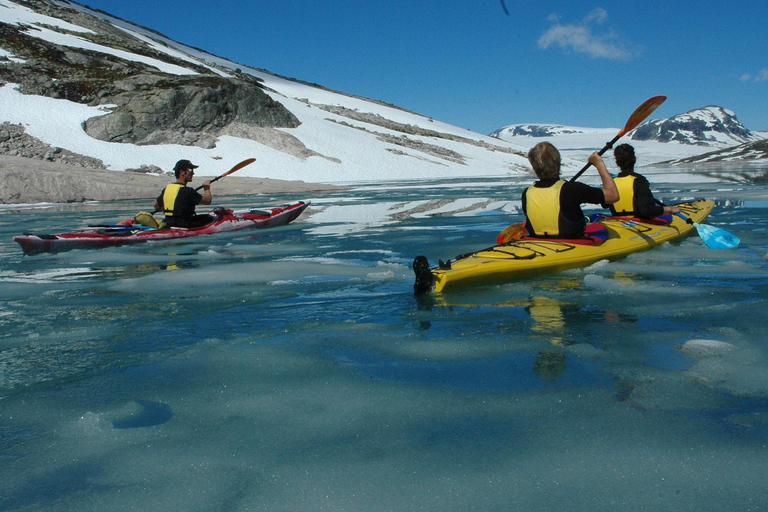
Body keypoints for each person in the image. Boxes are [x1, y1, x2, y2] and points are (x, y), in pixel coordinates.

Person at [522, 142, 619, 238]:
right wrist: (599, 164)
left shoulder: (527, 193)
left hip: (538, 242)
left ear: (534, 167)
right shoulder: (571, 189)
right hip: (570, 242)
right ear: (558, 163)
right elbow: (613, 195)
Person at [610, 144, 679, 217]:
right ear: (635, 159)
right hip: (637, 221)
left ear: (617, 163)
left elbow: (605, 204)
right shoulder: (639, 181)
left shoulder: (611, 182)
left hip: (616, 220)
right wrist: (668, 209)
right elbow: (645, 210)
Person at [154, 159, 212, 228]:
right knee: (210, 218)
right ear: (182, 172)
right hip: (184, 224)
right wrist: (206, 188)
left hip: (168, 222)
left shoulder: (167, 189)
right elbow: (207, 201)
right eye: (190, 170)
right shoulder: (188, 191)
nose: (193, 173)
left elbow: (156, 204)